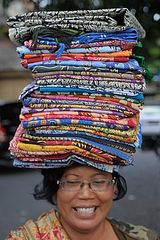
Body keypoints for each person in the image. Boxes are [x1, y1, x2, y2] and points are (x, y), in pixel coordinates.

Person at [6, 7, 160, 240]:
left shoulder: (144, 237)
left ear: (114, 187)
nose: (86, 194)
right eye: (71, 182)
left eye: (99, 181)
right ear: (54, 189)